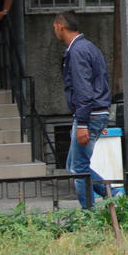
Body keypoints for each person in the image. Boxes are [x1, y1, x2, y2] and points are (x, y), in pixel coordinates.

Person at [53, 11, 112, 208]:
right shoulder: (87, 47)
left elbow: (83, 89)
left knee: (79, 168)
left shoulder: (77, 51)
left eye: (54, 27)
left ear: (60, 26)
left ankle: (92, 214)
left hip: (89, 115)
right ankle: (113, 193)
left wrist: (83, 123)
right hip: (95, 112)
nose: (54, 31)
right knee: (74, 165)